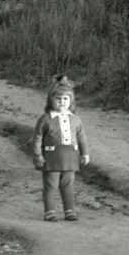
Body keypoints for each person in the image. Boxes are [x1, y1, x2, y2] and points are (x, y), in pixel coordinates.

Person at [32, 75, 90, 222]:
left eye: (65, 99)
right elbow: (37, 138)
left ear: (71, 101)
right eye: (58, 99)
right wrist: (38, 155)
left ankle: (69, 210)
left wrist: (85, 154)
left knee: (68, 184)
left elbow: (82, 137)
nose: (62, 102)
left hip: (70, 156)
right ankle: (50, 211)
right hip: (51, 157)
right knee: (51, 185)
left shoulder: (75, 118)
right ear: (51, 100)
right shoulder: (45, 119)